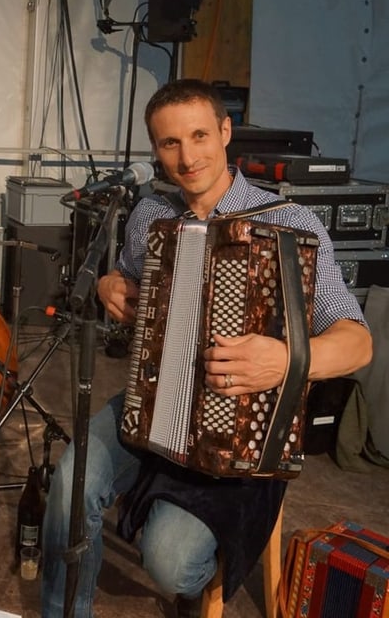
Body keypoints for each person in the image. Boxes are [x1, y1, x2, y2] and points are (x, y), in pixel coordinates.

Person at [39, 79, 372, 618]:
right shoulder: (150, 217)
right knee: (69, 487)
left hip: (241, 429)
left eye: (199, 135)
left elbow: (357, 343)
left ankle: (195, 575)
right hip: (153, 405)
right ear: (155, 150)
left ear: (225, 132)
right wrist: (108, 289)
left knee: (170, 564)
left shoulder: (288, 223)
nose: (187, 156)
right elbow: (125, 288)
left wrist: (286, 359)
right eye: (170, 143)